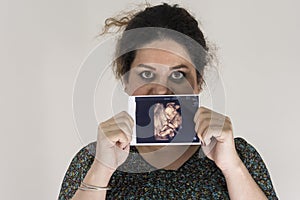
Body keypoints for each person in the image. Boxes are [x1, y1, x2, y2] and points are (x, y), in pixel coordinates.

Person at [58, 3, 278, 199]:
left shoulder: (238, 156)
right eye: (146, 74)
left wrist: (232, 168)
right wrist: (102, 169)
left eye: (178, 74)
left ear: (198, 83)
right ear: (125, 82)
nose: (162, 90)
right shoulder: (92, 161)